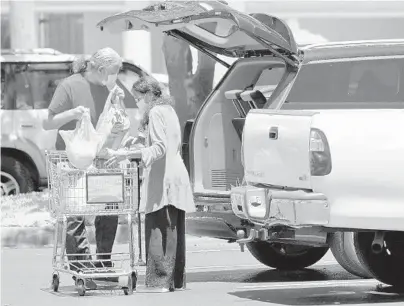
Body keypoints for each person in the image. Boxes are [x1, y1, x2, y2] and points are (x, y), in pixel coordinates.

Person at [43, 47, 126, 289]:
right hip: (72, 161)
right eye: (114, 71)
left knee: (110, 208)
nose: (116, 76)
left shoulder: (109, 89)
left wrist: (118, 106)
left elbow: (116, 124)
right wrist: (72, 113)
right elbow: (47, 122)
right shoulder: (69, 85)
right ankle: (82, 267)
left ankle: (102, 263)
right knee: (75, 213)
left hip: (99, 159)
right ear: (101, 69)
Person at [105, 77, 196, 293]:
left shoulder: (155, 113)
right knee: (173, 230)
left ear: (148, 96)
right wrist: (137, 143)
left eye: (137, 99)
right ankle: (174, 280)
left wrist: (125, 154)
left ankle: (159, 282)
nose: (137, 104)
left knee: (159, 230)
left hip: (162, 180)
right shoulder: (168, 110)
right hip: (176, 178)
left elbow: (159, 149)